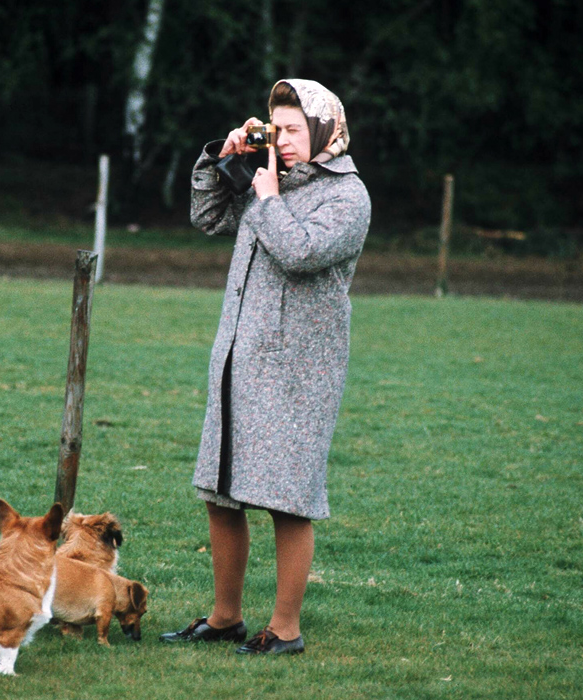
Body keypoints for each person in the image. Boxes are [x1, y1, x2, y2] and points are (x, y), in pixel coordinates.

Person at [159, 79, 371, 655]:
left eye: (296, 130)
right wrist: (221, 160)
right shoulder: (265, 179)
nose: (286, 141)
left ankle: (285, 630)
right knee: (222, 491)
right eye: (278, 130)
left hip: (300, 370)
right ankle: (225, 617)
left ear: (327, 129)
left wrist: (270, 195)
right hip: (238, 356)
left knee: (287, 498)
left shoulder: (347, 197)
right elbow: (207, 218)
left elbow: (300, 252)